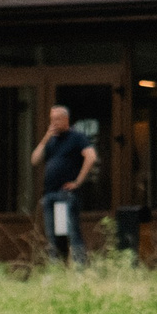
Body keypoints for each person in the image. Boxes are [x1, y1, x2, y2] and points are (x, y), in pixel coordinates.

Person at [31, 104, 97, 265]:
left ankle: (80, 267)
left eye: (57, 119)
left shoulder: (76, 137)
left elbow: (91, 156)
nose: (54, 123)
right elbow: (35, 160)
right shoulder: (51, 141)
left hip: (65, 195)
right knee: (53, 235)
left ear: (66, 119)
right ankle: (57, 268)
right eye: (51, 120)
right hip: (49, 194)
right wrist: (46, 137)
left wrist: (78, 181)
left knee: (71, 232)